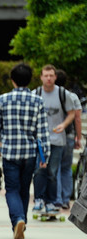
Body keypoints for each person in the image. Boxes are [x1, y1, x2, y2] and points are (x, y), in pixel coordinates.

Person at [0, 63, 49, 239]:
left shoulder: (3, 99)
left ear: (13, 81)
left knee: (11, 190)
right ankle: (21, 223)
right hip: (30, 153)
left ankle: (18, 220)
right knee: (24, 189)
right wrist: (44, 155)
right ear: (30, 80)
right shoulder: (38, 101)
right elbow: (42, 131)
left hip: (10, 152)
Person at [32, 65, 76, 216]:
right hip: (40, 140)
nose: (49, 78)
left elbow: (72, 113)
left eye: (51, 75)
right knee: (39, 170)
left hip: (58, 139)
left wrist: (63, 124)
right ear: (41, 77)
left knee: (52, 171)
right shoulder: (36, 94)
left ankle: (51, 202)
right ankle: (38, 199)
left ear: (55, 77)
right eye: (46, 75)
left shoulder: (63, 94)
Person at [54, 69, 82, 210]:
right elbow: (77, 118)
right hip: (70, 135)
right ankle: (66, 199)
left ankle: (57, 199)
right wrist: (78, 137)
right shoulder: (72, 96)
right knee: (66, 168)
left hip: (55, 136)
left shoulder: (50, 95)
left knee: (56, 167)